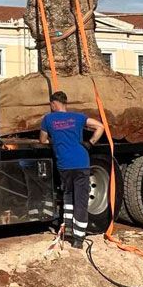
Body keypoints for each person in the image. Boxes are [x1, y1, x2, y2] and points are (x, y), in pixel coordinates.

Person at [39, 90, 104, 249]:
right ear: (65, 103)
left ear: (54, 104)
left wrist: (55, 142)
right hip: (81, 162)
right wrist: (90, 142)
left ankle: (67, 230)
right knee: (80, 201)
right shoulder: (78, 117)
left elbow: (42, 140)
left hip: (64, 165)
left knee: (68, 197)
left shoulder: (48, 119)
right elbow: (100, 126)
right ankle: (78, 239)